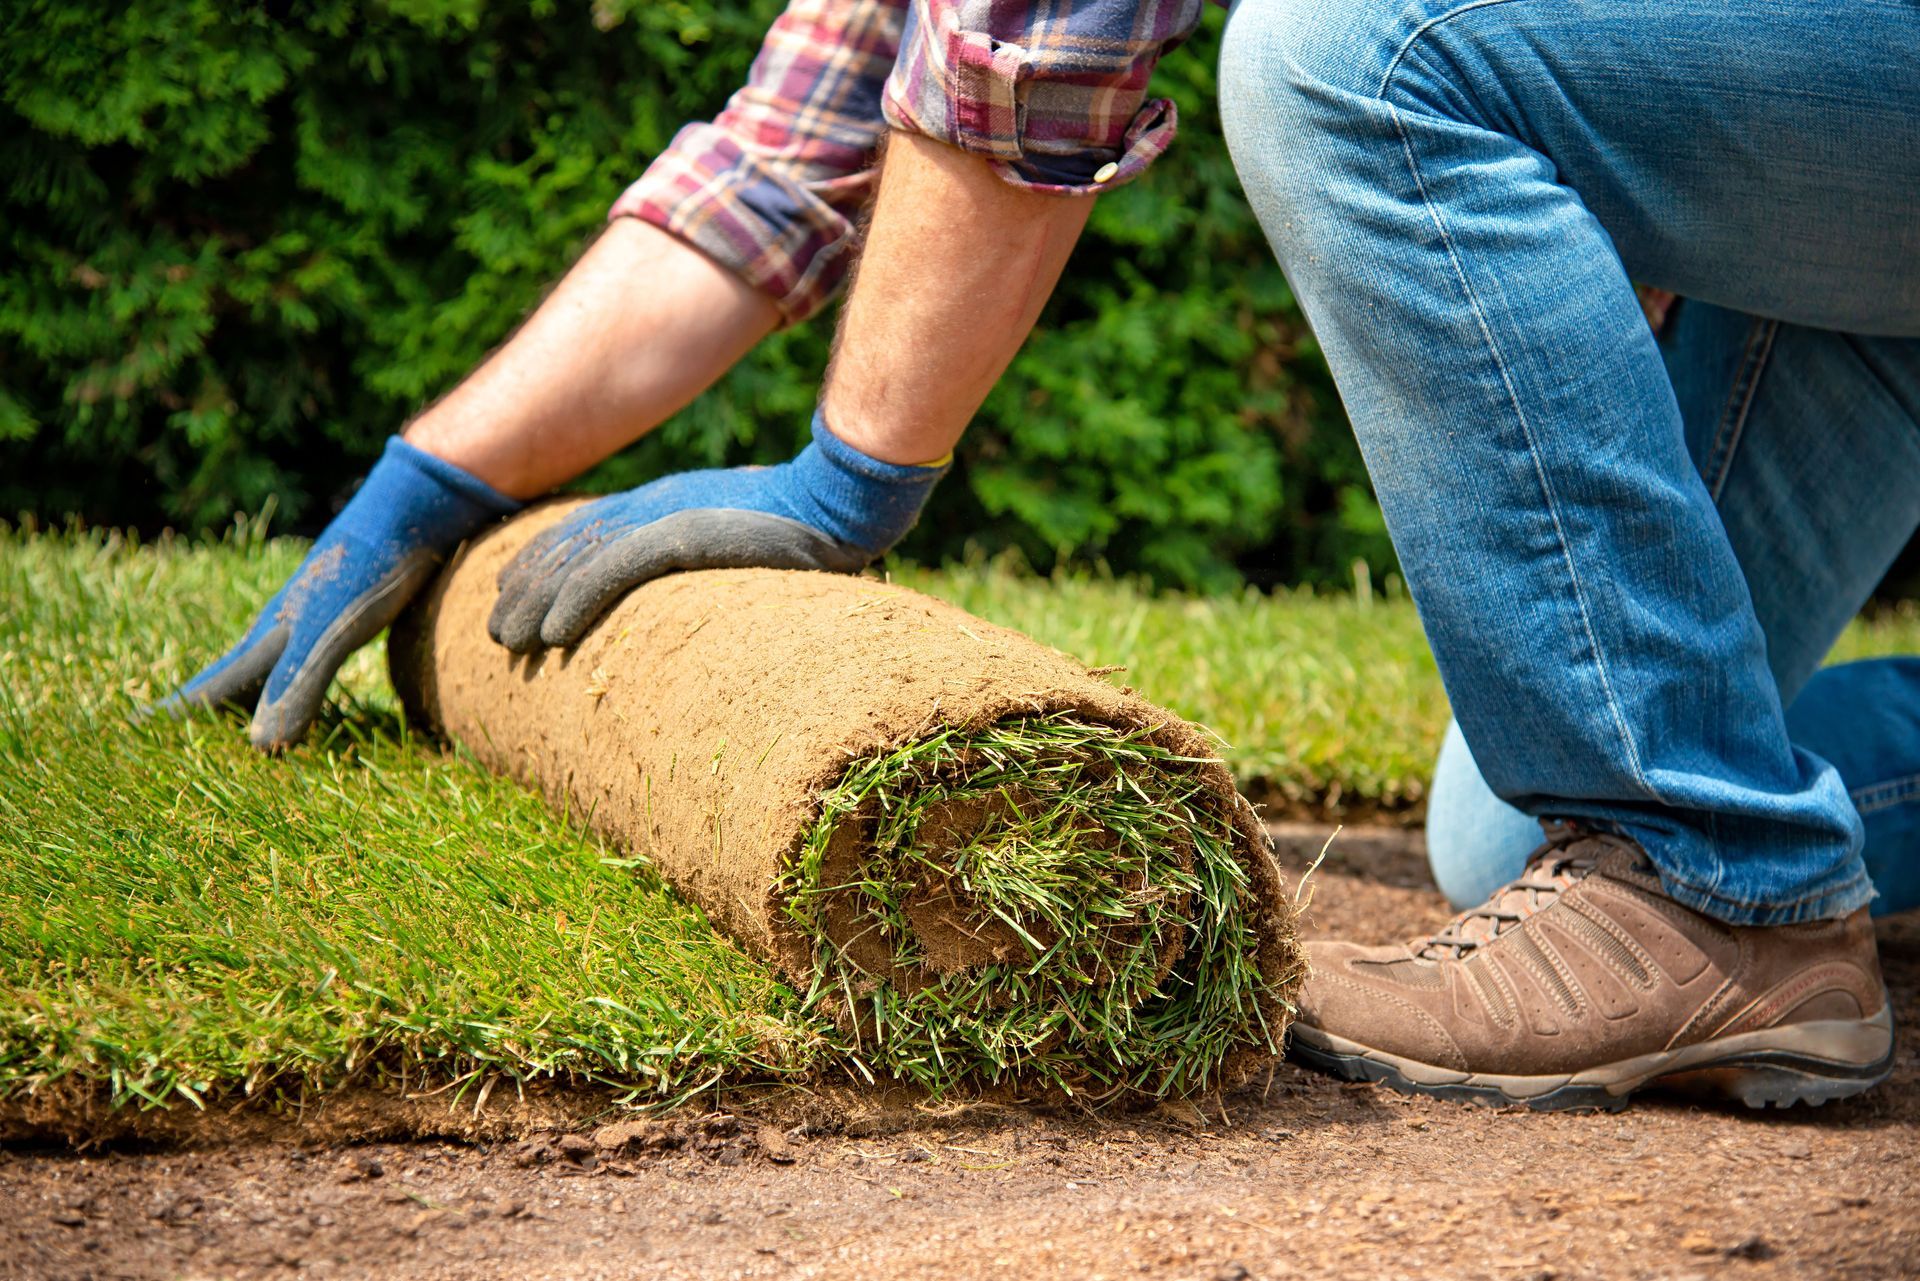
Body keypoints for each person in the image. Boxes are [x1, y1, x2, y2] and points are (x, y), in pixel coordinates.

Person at [158, 0, 1916, 1111]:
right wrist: (422, 483)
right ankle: (1704, 854)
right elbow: (797, 146)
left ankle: (1719, 895)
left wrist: (855, 482)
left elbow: (1040, 37)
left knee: (1352, 60)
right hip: (1835, 220)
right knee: (1511, 828)